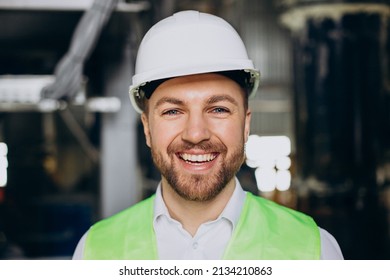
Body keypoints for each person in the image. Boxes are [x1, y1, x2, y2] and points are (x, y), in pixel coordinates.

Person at [72, 10, 344, 260]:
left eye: (218, 109)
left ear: (246, 124)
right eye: (172, 112)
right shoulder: (94, 252)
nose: (195, 133)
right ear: (147, 128)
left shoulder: (315, 250)